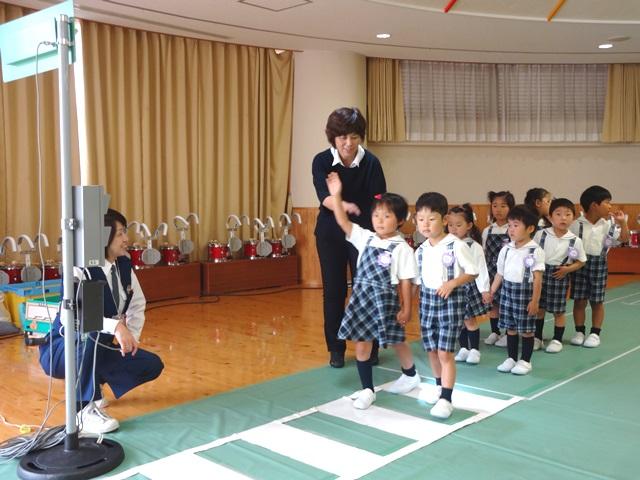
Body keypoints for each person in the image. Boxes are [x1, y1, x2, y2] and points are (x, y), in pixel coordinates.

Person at [39, 209, 164, 434]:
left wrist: (131, 338)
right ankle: (83, 410)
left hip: (101, 347)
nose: (126, 239)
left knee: (151, 364)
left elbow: (137, 305)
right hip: (63, 350)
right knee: (91, 332)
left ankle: (93, 383)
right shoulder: (80, 269)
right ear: (103, 237)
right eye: (120, 234)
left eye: (125, 232)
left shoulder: (123, 266)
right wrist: (116, 326)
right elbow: (72, 319)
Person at [325, 173, 418, 410]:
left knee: (396, 340)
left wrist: (407, 308)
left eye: (387, 216)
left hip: (385, 300)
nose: (380, 220)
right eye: (376, 215)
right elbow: (342, 221)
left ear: (400, 220)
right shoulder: (365, 237)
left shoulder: (402, 248)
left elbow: (406, 281)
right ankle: (368, 389)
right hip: (362, 299)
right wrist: (336, 195)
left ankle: (410, 374)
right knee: (362, 343)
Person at [312, 107, 386, 368]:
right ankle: (336, 349)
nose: (348, 143)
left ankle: (370, 346)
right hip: (330, 234)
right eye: (342, 137)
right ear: (333, 137)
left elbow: (379, 199)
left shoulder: (371, 162)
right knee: (333, 292)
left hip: (364, 235)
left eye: (354, 137)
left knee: (366, 290)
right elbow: (324, 197)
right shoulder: (321, 161)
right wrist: (343, 205)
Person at [413, 193, 477, 419]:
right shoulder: (420, 250)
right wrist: (406, 307)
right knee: (431, 349)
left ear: (444, 219)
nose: (426, 224)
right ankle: (439, 387)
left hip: (450, 303)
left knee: (445, 352)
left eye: (431, 219)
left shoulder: (456, 245)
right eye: (421, 219)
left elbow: (472, 272)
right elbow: (416, 281)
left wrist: (453, 283)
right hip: (427, 302)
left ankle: (447, 399)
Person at [569, 186, 629, 348]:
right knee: (579, 301)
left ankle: (595, 333)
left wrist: (623, 223)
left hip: (599, 264)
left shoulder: (608, 224)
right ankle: (579, 331)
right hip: (579, 264)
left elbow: (624, 239)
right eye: (607, 202)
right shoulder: (576, 224)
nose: (610, 206)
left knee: (597, 301)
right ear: (594, 205)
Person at [490, 205, 544, 376]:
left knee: (527, 330)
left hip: (525, 293)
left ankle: (525, 361)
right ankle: (511, 358)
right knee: (510, 328)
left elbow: (537, 279)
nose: (511, 229)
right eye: (510, 225)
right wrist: (491, 292)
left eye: (516, 225)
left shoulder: (535, 250)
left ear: (530, 229)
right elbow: (499, 273)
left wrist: (534, 301)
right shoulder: (506, 249)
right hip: (507, 292)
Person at [533, 198, 587, 353]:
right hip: (540, 275)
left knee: (559, 311)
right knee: (539, 309)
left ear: (573, 218)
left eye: (568, 214)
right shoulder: (540, 234)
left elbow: (581, 261)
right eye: (558, 214)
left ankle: (557, 339)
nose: (563, 218)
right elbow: (531, 253)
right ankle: (537, 337)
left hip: (559, 276)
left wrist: (568, 270)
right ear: (550, 217)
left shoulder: (575, 240)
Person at [448, 204, 490, 365]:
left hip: (469, 287)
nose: (453, 229)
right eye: (450, 225)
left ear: (469, 225)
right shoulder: (447, 244)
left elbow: (481, 269)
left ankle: (474, 350)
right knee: (459, 321)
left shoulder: (474, 246)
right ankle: (464, 348)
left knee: (470, 321)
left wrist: (484, 290)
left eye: (458, 225)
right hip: (453, 287)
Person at [482, 191, 515, 347]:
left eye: (503, 206)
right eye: (495, 206)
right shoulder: (488, 230)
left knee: (507, 303)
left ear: (511, 208)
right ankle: (495, 331)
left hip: (508, 272)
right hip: (491, 271)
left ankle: (509, 333)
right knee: (493, 302)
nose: (498, 209)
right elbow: (484, 252)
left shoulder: (513, 229)